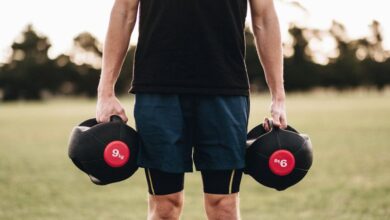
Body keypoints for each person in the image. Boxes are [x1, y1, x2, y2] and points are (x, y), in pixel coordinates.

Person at [96, 0, 287, 219]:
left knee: (223, 205)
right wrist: (105, 92)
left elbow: (264, 17)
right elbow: (123, 12)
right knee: (165, 207)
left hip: (225, 89)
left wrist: (278, 97)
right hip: (158, 89)